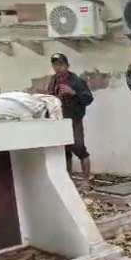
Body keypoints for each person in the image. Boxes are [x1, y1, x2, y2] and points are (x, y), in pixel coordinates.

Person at [47, 53, 94, 188]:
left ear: (67, 65)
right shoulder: (53, 80)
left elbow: (89, 99)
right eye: (55, 65)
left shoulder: (77, 81)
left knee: (79, 148)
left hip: (74, 120)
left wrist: (73, 92)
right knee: (64, 150)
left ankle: (86, 180)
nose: (58, 68)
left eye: (61, 65)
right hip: (59, 121)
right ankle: (68, 179)